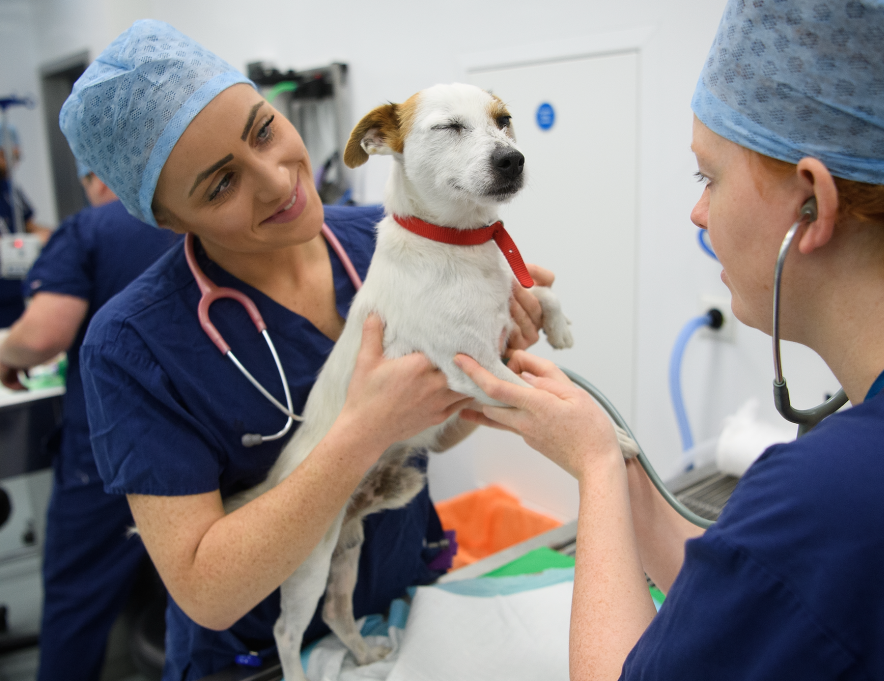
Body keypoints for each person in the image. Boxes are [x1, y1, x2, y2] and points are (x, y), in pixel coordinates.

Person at [456, 1, 884, 679]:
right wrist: (616, 453)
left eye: (709, 177)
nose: (697, 211)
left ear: (812, 200)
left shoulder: (833, 497)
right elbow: (754, 595)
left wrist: (596, 467)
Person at [59, 20, 552, 680]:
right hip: (260, 660)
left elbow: (430, 434)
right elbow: (206, 589)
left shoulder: (382, 240)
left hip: (407, 616)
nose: (277, 180)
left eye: (263, 129)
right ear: (169, 218)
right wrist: (359, 430)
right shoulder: (131, 347)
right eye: (220, 184)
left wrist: (486, 360)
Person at [0, 161, 179, 681]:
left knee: (78, 598)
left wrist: (8, 353)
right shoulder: (196, 221)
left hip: (111, 450)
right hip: (203, 440)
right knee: (199, 587)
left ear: (98, 177)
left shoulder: (89, 230)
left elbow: (42, 336)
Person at [0, 122, 51, 328]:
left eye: (17, 157)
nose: (15, 163)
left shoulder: (10, 189)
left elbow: (29, 225)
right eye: (10, 157)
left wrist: (63, 236)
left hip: (16, 293)